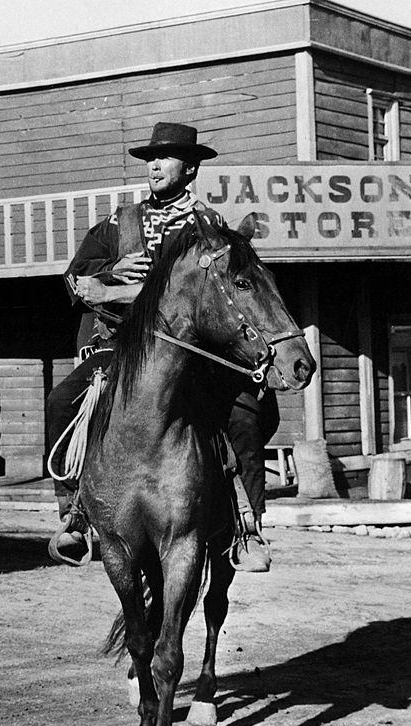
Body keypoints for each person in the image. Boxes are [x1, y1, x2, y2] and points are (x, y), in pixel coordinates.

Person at [45, 121, 279, 571]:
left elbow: (207, 292)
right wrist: (111, 269)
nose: (154, 165)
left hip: (187, 352)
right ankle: (74, 513)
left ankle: (248, 524)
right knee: (60, 402)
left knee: (244, 416)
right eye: (150, 158)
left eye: (165, 157)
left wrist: (118, 290)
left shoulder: (207, 226)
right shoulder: (121, 222)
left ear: (189, 168)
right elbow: (77, 280)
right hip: (121, 347)